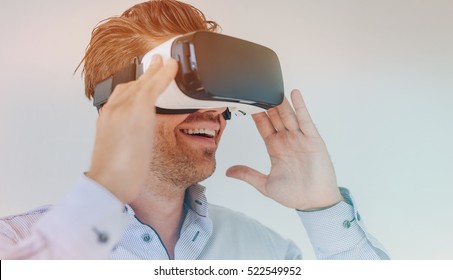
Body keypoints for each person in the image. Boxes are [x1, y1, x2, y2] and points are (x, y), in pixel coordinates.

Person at [0, 0, 389, 259]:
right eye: (183, 87)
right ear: (114, 104)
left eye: (217, 94)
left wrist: (323, 210)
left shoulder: (264, 251)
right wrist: (104, 189)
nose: (213, 114)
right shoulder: (14, 243)